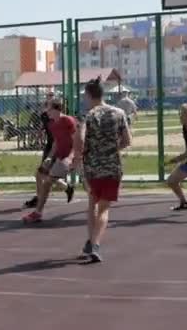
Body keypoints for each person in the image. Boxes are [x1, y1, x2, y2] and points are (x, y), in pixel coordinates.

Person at [73, 77, 131, 263]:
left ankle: (93, 243)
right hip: (112, 166)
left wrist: (79, 157)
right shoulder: (119, 113)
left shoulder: (88, 116)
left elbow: (80, 139)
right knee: (104, 208)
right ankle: (93, 243)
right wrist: (113, 149)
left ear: (89, 95)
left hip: (92, 168)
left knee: (92, 205)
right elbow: (127, 140)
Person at [22, 99, 77, 223]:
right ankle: (38, 212)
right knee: (43, 177)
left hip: (75, 157)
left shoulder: (68, 120)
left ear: (57, 109)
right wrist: (49, 157)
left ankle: (98, 208)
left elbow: (76, 141)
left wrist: (71, 157)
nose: (46, 111)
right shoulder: (52, 124)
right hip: (60, 157)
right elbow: (56, 143)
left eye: (49, 109)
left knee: (88, 185)